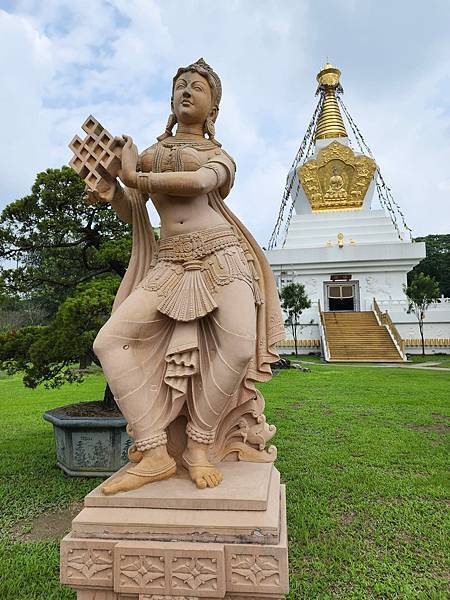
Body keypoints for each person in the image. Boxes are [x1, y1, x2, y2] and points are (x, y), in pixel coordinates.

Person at [90, 58, 284, 495]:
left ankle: (199, 444)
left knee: (236, 349)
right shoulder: (149, 154)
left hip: (221, 255)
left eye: (198, 86)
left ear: (213, 107)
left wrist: (134, 175)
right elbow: (136, 211)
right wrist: (114, 192)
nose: (186, 90)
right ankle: (154, 450)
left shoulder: (219, 157)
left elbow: (199, 184)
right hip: (169, 262)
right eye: (180, 84)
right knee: (109, 342)